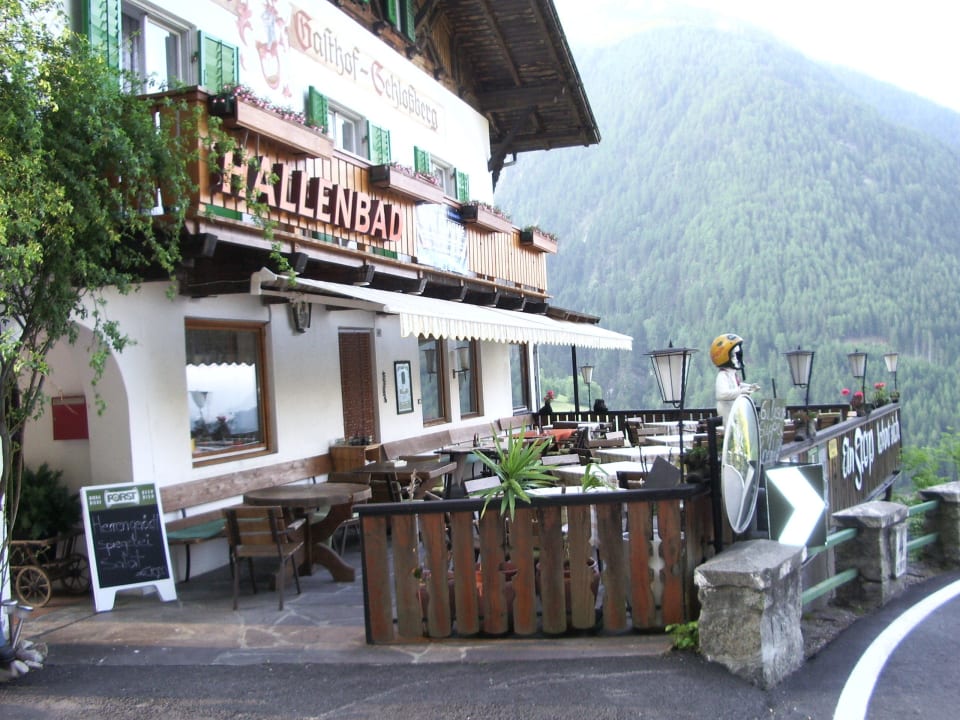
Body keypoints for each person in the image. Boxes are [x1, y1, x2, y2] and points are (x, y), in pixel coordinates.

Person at [710, 333, 759, 425]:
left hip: (734, 408)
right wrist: (741, 392)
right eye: (734, 356)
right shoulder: (723, 375)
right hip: (727, 410)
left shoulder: (732, 374)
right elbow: (722, 394)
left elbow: (737, 385)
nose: (737, 359)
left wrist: (749, 387)